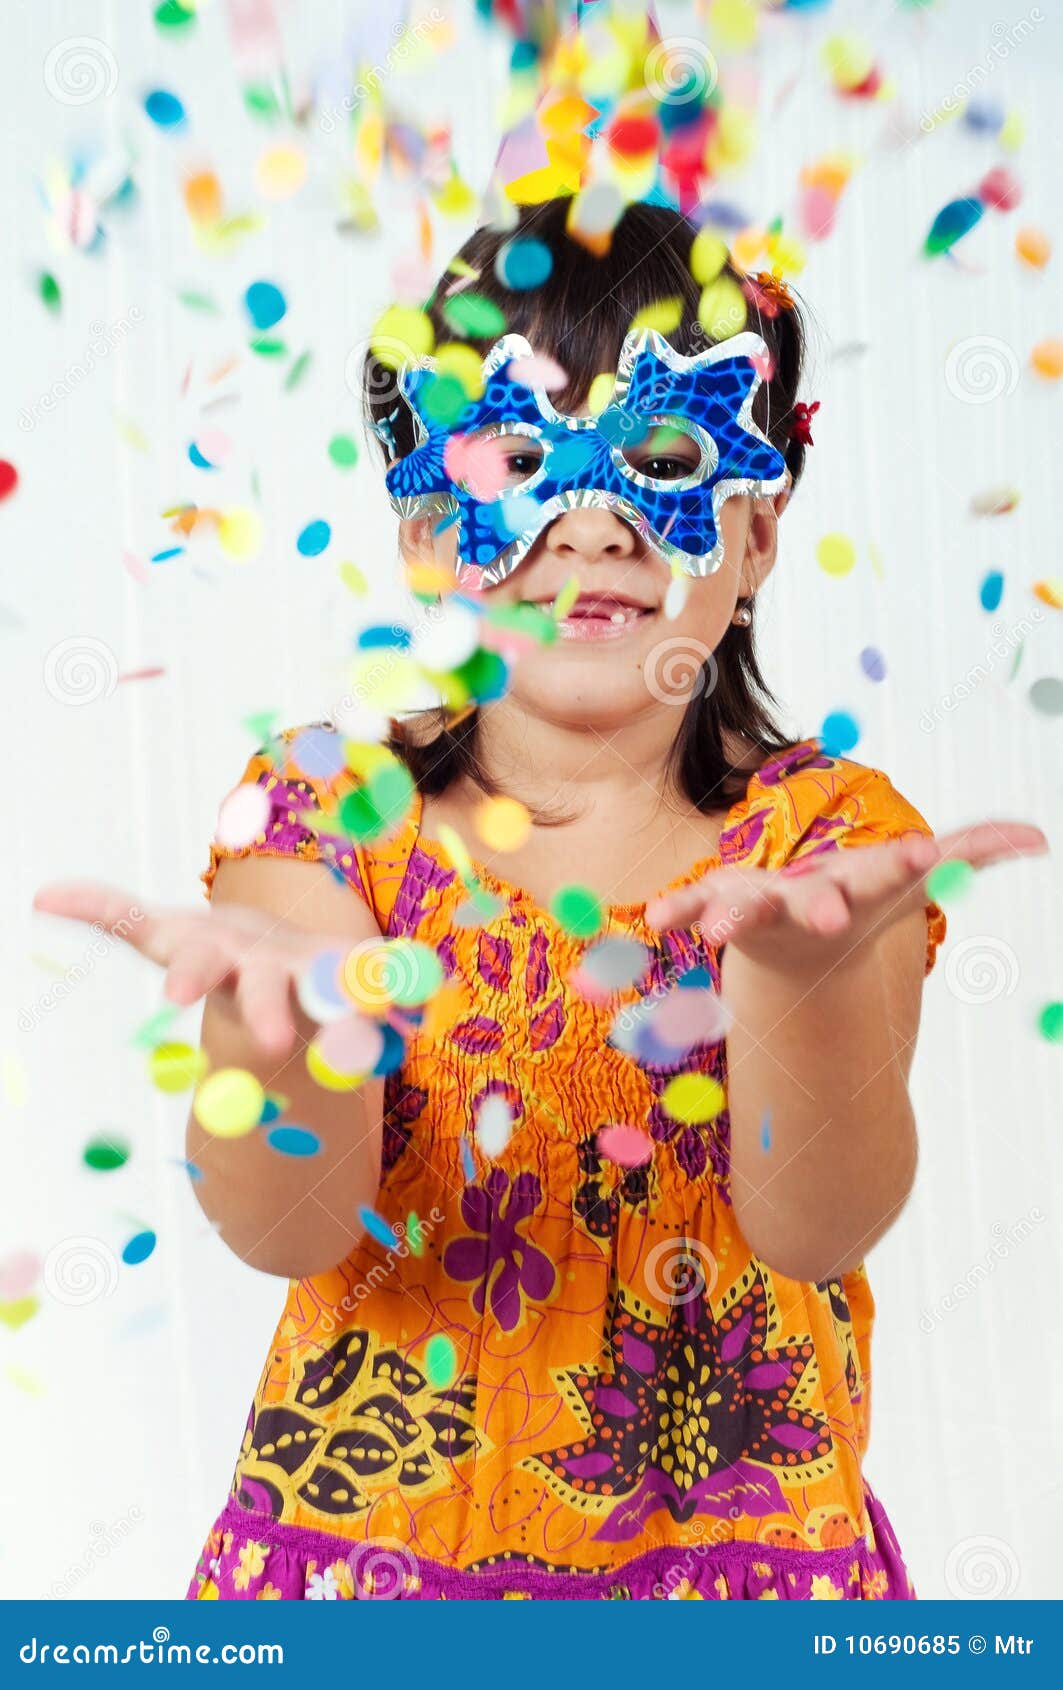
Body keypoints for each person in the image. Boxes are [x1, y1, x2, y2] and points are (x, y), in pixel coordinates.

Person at [33, 199, 1046, 1600]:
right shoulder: (327, 815)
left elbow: (822, 1222)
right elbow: (286, 1225)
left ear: (756, 534)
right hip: (367, 1594)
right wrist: (284, 1032)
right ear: (431, 528)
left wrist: (798, 984)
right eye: (521, 454)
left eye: (667, 455)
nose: (593, 520)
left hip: (741, 1597)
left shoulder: (831, 845)